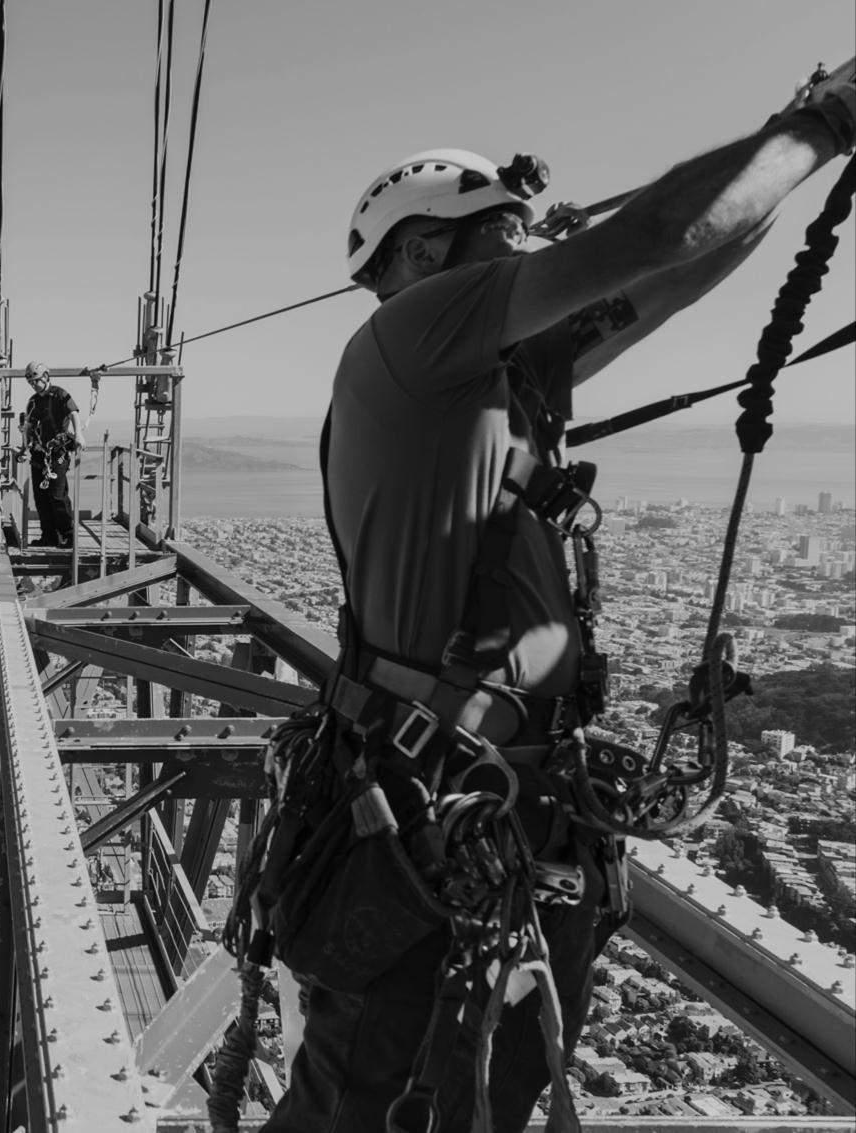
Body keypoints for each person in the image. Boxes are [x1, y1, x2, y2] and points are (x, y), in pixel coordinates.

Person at [263, 68, 855, 1133]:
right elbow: (652, 237)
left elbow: (682, 262)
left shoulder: (504, 384)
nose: (536, 256)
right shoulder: (414, 335)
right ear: (417, 252)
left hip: (496, 824)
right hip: (427, 822)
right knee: (368, 1104)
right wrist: (821, 125)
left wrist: (789, 146)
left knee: (477, 1100)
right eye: (509, 232)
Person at [20, 361, 86, 548]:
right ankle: (49, 536)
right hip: (39, 454)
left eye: (36, 381)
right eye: (31, 382)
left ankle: (68, 535)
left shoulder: (59, 395)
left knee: (57, 496)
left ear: (46, 377)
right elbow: (29, 427)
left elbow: (73, 412)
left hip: (58, 452)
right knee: (41, 498)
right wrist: (24, 448)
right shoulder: (33, 401)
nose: (33, 385)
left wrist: (79, 434)